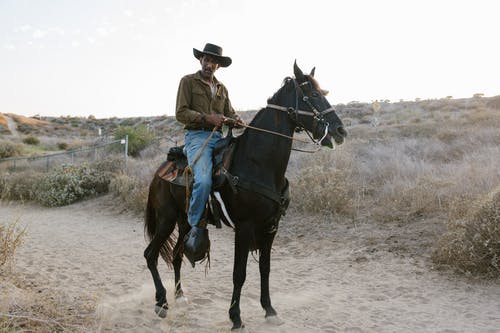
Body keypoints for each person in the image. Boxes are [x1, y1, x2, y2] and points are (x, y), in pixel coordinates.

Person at [175, 43, 243, 263]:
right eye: (206, 59)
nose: (209, 64)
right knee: (203, 180)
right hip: (197, 138)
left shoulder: (222, 88)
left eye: (213, 61)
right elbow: (181, 113)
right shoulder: (187, 81)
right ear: (200, 60)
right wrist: (207, 118)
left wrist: (237, 120)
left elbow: (229, 112)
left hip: (218, 138)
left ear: (218, 66)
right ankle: (195, 226)